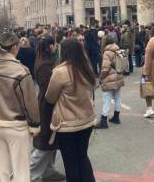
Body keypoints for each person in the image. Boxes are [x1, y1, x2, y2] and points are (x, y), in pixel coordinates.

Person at [0, 33, 40, 182]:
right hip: (17, 126)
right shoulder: (21, 70)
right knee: (21, 172)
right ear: (14, 47)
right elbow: (30, 102)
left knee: (0, 173)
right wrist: (34, 125)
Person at [45, 38, 96, 182]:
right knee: (82, 156)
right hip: (87, 120)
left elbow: (50, 97)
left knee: (70, 161)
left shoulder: (60, 72)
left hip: (67, 125)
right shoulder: (87, 68)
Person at [30, 36, 65, 181]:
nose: (56, 47)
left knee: (51, 139)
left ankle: (49, 170)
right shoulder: (45, 65)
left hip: (47, 104)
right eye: (54, 45)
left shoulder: (43, 61)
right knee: (45, 140)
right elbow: (47, 88)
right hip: (47, 106)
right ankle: (29, 174)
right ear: (50, 47)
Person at [95, 36, 125, 129]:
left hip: (109, 78)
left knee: (106, 98)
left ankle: (104, 121)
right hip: (118, 75)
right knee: (117, 96)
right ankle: (116, 117)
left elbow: (105, 68)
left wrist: (100, 78)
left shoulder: (107, 53)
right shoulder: (118, 49)